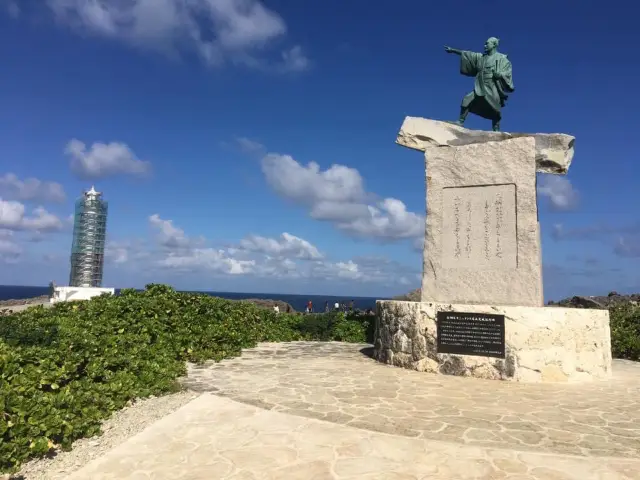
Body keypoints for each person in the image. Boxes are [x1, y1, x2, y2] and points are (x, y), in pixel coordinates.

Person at [444, 37, 514, 132]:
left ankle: (496, 128)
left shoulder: (502, 59)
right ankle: (460, 121)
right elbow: (468, 54)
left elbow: (507, 73)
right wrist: (453, 50)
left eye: (487, 44)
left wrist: (500, 75)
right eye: (485, 44)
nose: (485, 46)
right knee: (467, 99)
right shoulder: (481, 57)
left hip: (492, 85)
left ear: (494, 45)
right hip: (480, 85)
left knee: (495, 107)